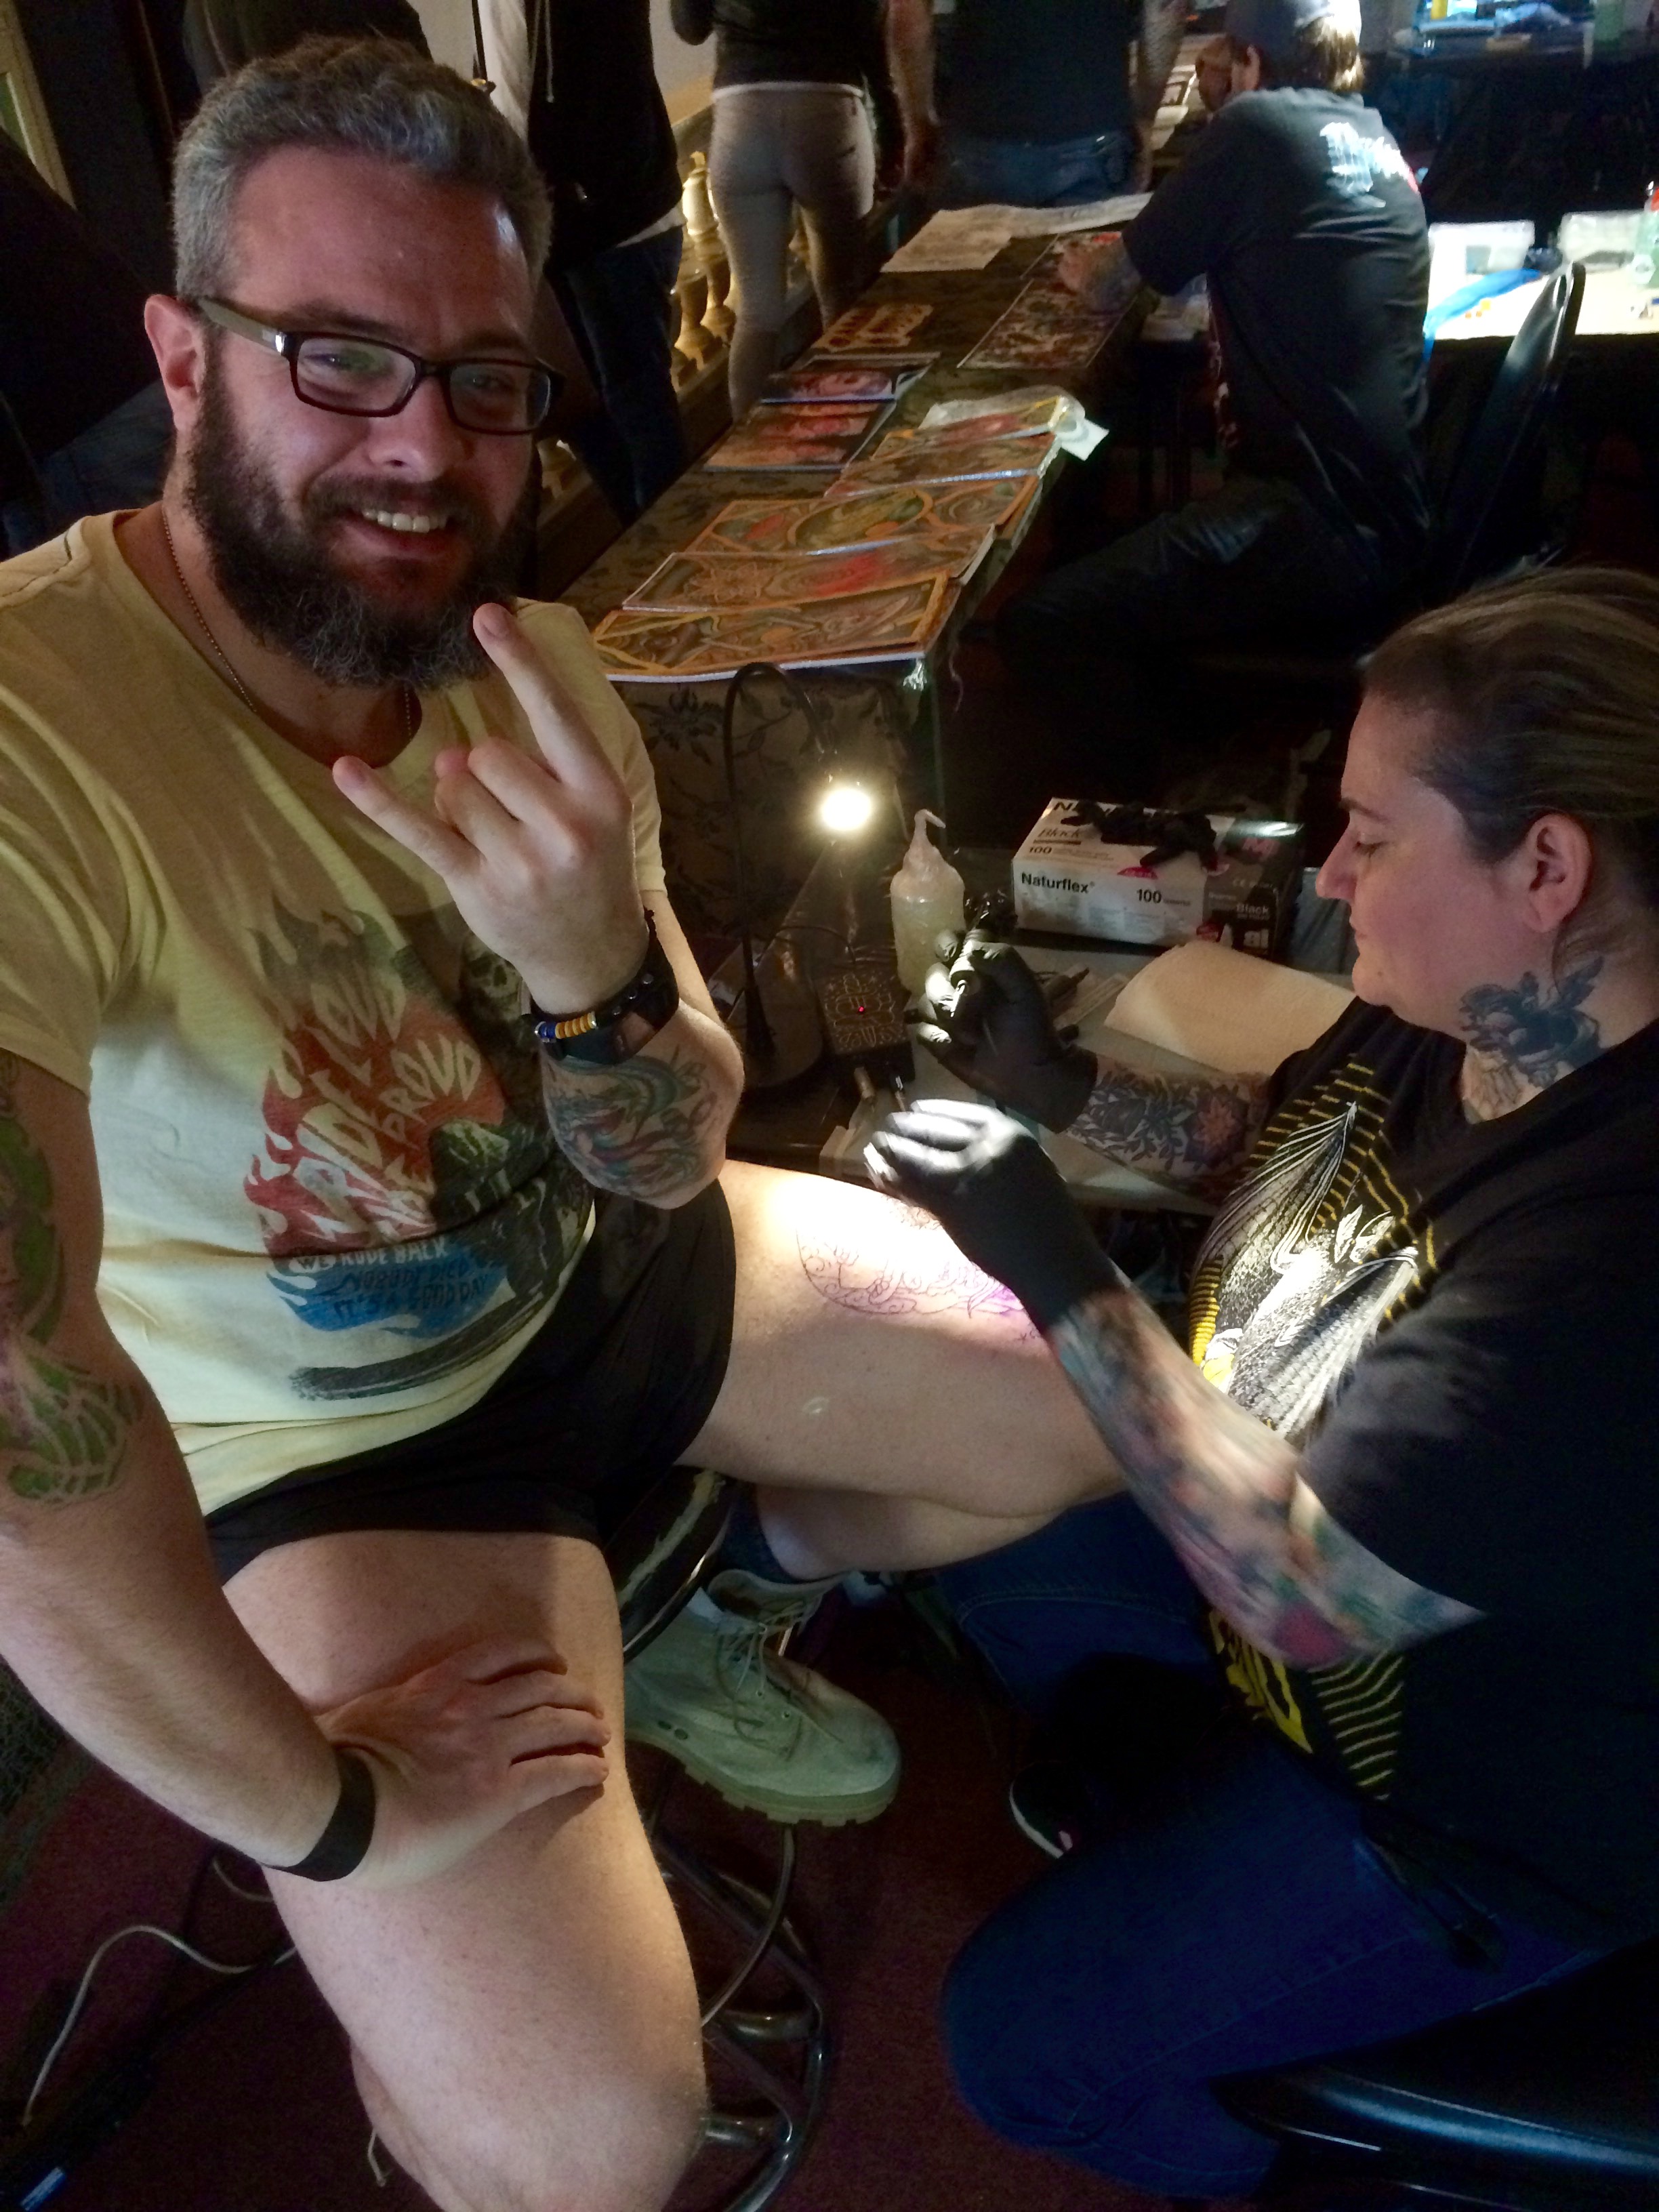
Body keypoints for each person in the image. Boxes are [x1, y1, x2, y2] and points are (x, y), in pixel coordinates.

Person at [0, 40, 1118, 2212]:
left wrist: (599, 967)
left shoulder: (529, 665)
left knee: (1088, 1407)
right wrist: (328, 1809)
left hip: (609, 1270)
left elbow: (673, 1134)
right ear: (184, 358)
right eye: (339, 358)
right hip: (336, 1446)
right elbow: (28, 1435)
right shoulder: (37, 738)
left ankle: (692, 1608)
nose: (425, 448)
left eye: (487, 382)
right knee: (593, 2150)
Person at [870, 565, 1659, 2198]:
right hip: (1277, 1603)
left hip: (1474, 1816)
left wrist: (1047, 1253)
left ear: (1546, 865)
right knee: (962, 1519)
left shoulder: (1607, 1261)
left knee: (1013, 2043)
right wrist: (1057, 1084)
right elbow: (1279, 1145)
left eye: (1369, 831)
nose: (1329, 869)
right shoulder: (1469, 1009)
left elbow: (1296, 1590)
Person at [996, 0, 1430, 793]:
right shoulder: (1374, 133)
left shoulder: (1255, 128)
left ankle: (1130, 819)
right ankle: (1194, 738)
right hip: (1386, 512)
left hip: (1307, 521)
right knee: (1118, 560)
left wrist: (1077, 263)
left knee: (1044, 620)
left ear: (1248, 61)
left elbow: (1112, 283)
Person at [480, 0, 687, 523]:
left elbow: (616, 80)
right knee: (574, 404)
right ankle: (647, 534)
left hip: (615, 223)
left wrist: (584, 187)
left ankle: (672, 542)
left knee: (636, 403)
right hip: (548, 227)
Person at [670, 0, 908, 418]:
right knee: (841, 293)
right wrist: (893, 136)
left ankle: (748, 442)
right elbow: (872, 37)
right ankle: (848, 422)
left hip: (741, 118)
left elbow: (690, 27)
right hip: (827, 110)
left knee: (757, 311)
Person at [885, 0, 1187, 209]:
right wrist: (1145, 116)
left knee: (984, 283)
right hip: (1093, 133)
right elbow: (1165, 9)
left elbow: (907, 14)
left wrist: (918, 122)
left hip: (978, 141)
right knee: (1087, 277)